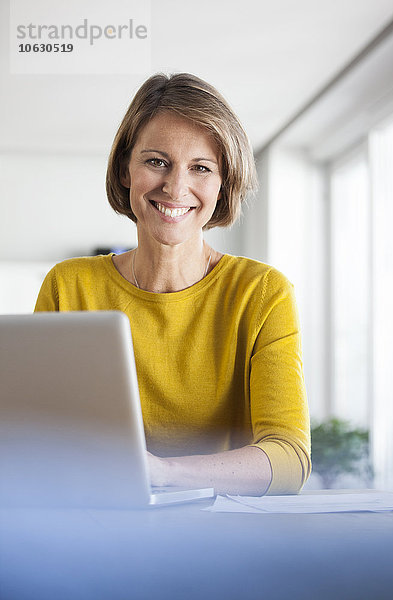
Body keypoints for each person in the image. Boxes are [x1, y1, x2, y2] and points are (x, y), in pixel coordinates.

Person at [35, 73, 311, 496]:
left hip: (222, 534)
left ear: (223, 184)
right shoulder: (68, 285)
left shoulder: (262, 293)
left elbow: (289, 458)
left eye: (201, 168)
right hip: (95, 526)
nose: (175, 187)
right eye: (156, 161)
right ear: (126, 169)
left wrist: (161, 472)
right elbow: (34, 437)